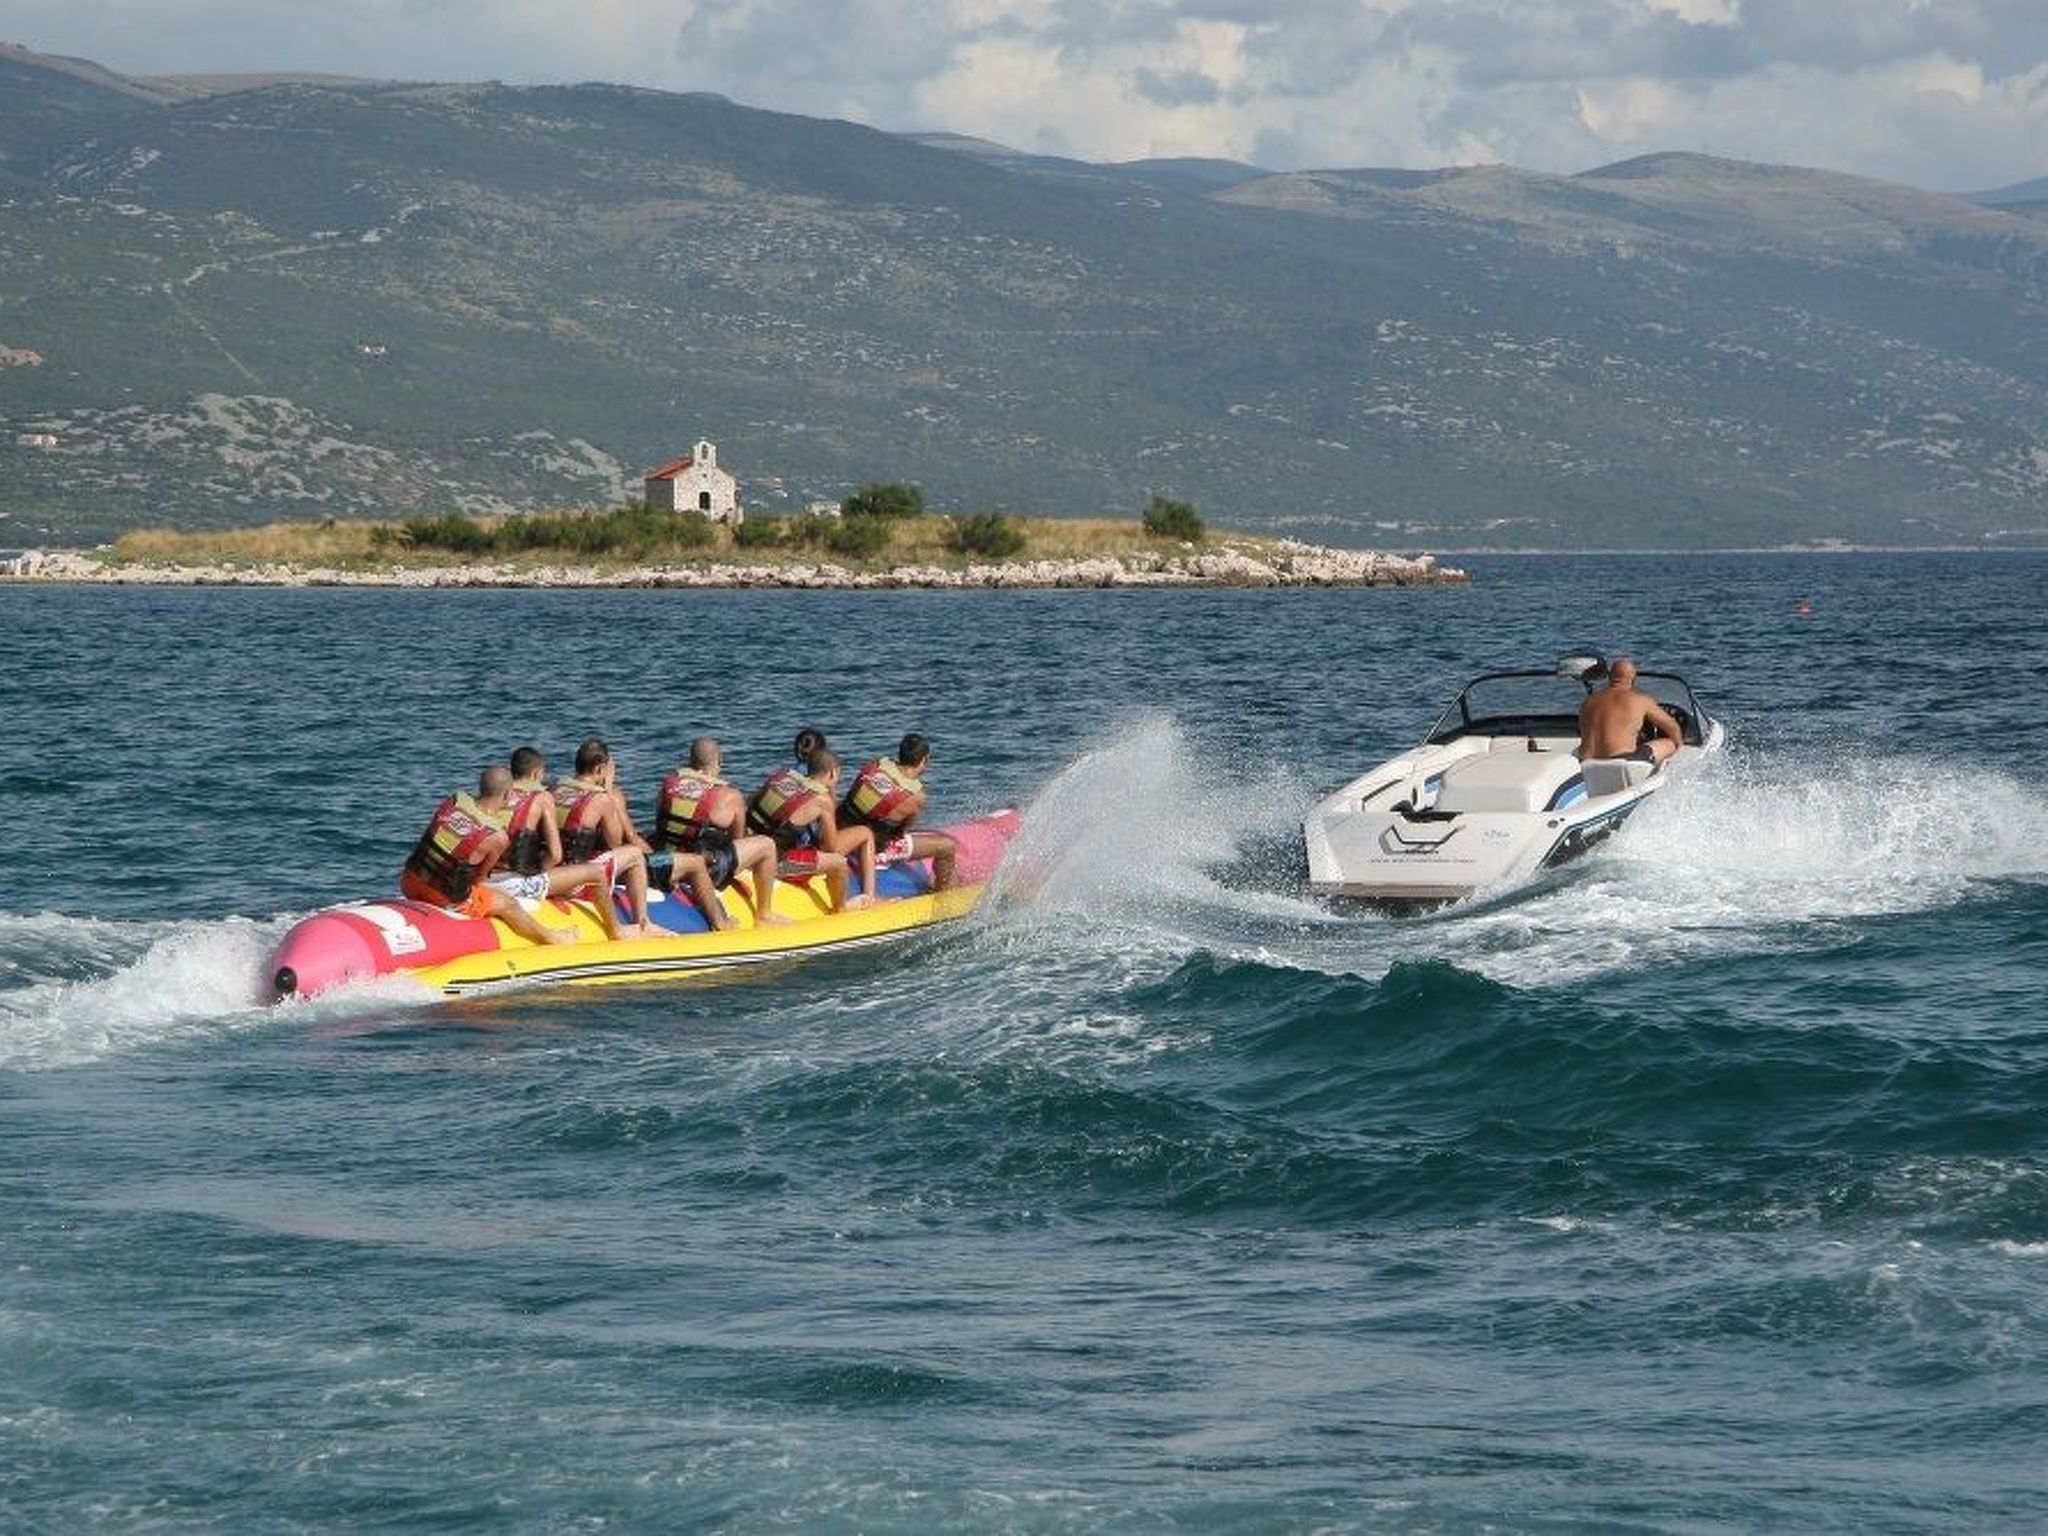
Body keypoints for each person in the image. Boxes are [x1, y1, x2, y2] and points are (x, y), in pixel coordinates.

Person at [551, 737, 717, 933]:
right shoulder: (605, 798)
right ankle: (648, 922)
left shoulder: (554, 790)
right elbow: (619, 841)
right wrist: (610, 791)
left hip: (561, 872)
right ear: (600, 769)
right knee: (694, 862)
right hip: (591, 875)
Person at [399, 767, 576, 946]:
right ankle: (551, 938)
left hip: (409, 881)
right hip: (442, 897)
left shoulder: (454, 801)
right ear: (508, 794)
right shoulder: (497, 837)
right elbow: (479, 879)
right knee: (508, 904)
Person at [487, 753, 644, 943]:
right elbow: (556, 854)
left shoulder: (495, 798)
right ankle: (619, 930)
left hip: (486, 881)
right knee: (602, 871)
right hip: (518, 884)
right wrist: (541, 875)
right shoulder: (542, 798)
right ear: (536, 774)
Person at [654, 737, 789, 926]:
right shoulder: (729, 796)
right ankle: (764, 914)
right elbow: (736, 840)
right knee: (767, 845)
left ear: (690, 760)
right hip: (707, 868)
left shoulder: (668, 784)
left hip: (669, 861)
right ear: (719, 762)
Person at [748, 746, 879, 912]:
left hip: (753, 852)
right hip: (779, 865)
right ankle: (843, 907)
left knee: (863, 833)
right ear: (833, 773)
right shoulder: (822, 799)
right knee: (839, 862)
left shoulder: (783, 779)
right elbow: (830, 848)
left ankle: (865, 898)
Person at [840, 732, 956, 890]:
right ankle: (943, 895)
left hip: (843, 834)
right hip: (871, 849)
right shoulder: (916, 796)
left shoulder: (876, 765)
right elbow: (901, 832)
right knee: (947, 847)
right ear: (925, 760)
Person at [1577, 656, 1683, 764]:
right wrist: (1679, 746)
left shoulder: (1588, 701)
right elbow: (1672, 727)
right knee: (1670, 743)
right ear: (1634, 679)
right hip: (1620, 765)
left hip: (1586, 764)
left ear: (1609, 677)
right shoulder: (1640, 699)